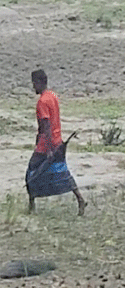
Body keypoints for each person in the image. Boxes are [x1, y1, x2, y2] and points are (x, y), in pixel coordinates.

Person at [25, 70, 87, 216]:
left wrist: (48, 147)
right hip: (57, 140)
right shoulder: (52, 96)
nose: (33, 86)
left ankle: (31, 206)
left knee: (31, 172)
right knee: (61, 171)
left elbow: (45, 125)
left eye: (34, 83)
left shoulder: (42, 102)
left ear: (39, 82)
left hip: (47, 145)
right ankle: (80, 199)